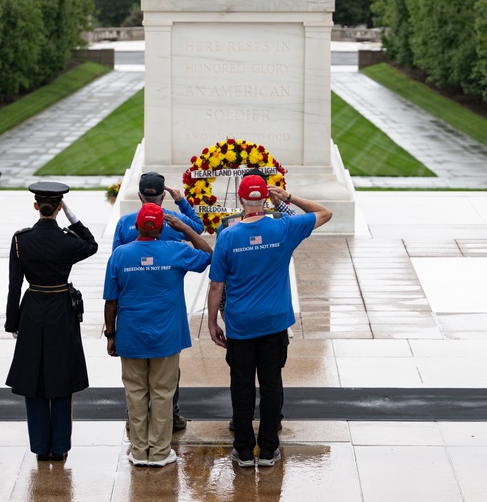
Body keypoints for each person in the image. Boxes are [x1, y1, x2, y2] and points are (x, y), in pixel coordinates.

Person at [208, 174, 332, 468]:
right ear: (266, 199)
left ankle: (242, 449)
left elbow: (216, 286)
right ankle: (267, 450)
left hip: (240, 323)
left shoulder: (228, 235)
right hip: (274, 323)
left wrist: (212, 322)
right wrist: (288, 198)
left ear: (240, 200)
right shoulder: (284, 227)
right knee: (272, 383)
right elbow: (324, 213)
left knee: (241, 385)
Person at [103, 203, 212, 467]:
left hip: (131, 333)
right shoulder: (176, 250)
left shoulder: (120, 255)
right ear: (162, 228)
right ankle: (160, 452)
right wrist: (186, 228)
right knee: (163, 393)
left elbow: (110, 301)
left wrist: (110, 334)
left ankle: (139, 451)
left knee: (136, 393)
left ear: (137, 227)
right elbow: (209, 255)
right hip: (167, 335)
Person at [4, 181, 98, 462]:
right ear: (59, 207)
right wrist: (74, 219)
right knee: (61, 379)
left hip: (32, 310)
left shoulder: (21, 239)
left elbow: (14, 285)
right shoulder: (69, 240)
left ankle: (39, 448)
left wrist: (13, 322)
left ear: (36, 206)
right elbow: (91, 245)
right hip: (61, 311)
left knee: (33, 380)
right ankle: (59, 448)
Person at [111, 171, 204, 431]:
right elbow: (198, 229)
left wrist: (111, 329)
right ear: (163, 195)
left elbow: (115, 267)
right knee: (167, 373)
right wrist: (182, 202)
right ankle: (171, 416)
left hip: (133, 311)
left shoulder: (124, 224)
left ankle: (136, 419)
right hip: (166, 311)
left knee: (135, 377)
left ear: (139, 195)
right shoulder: (175, 222)